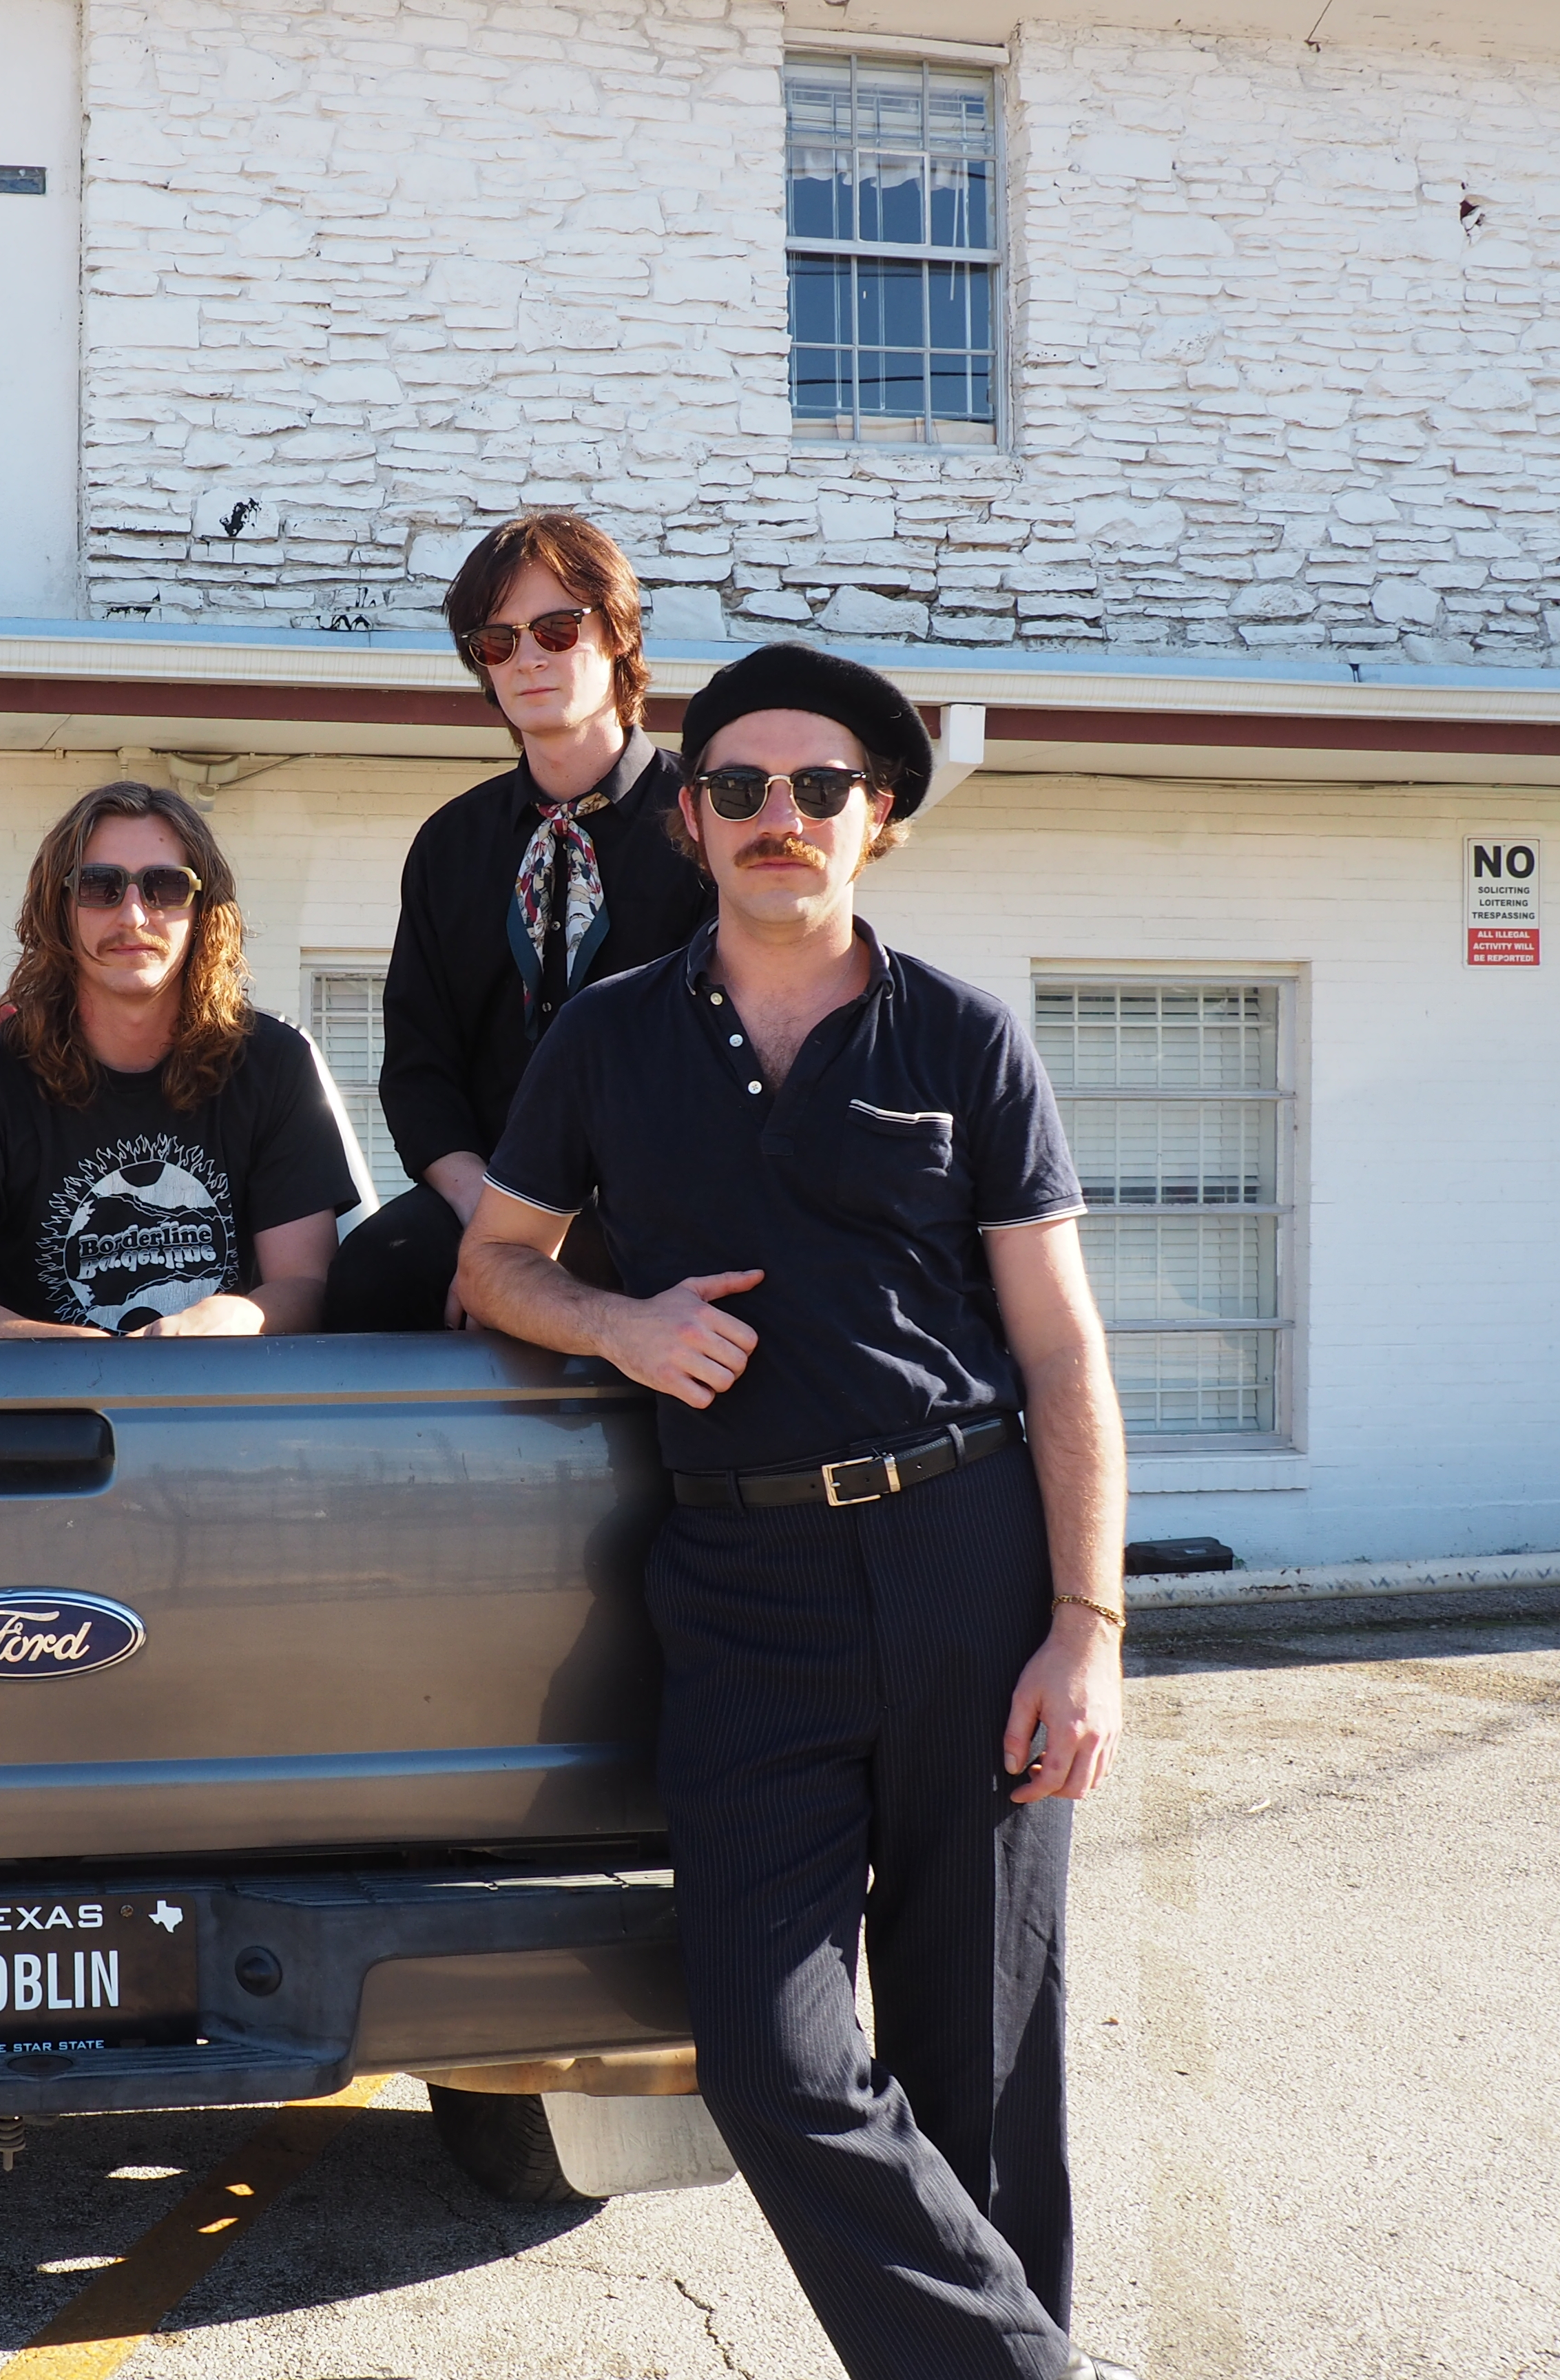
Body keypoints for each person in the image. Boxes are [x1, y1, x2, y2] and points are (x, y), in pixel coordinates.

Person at [454, 643, 1136, 2380]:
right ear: (690, 820)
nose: (780, 815)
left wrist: (1088, 1624)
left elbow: (1061, 1352)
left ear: (876, 819)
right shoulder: (607, 1038)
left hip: (964, 1559)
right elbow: (494, 1260)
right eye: (742, 786)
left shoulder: (963, 1036)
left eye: (818, 786)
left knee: (982, 2068)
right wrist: (620, 1319)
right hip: (743, 1582)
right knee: (767, 2055)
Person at [324, 509, 710, 1332]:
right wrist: (491, 1230)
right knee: (369, 1280)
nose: (528, 657)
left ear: (616, 635)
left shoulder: (709, 824)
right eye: (496, 642)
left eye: (557, 628)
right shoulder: (450, 846)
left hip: (663, 1200)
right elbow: (420, 1070)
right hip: (491, 1193)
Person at [0, 780, 356, 1339]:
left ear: (204, 909)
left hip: (226, 1413)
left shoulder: (274, 1066)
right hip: (46, 1420)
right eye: (99, 886)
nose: (133, 915)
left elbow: (309, 1287)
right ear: (59, 909)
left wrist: (234, 1319)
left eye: (165, 887)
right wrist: (82, 1356)